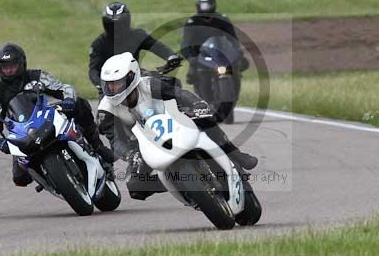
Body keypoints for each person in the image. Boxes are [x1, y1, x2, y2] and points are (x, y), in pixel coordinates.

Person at [97, 52, 258, 200]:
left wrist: (197, 104)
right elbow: (116, 141)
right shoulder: (106, 111)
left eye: (117, 83)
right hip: (141, 145)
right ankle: (182, 186)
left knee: (205, 119)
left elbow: (180, 95)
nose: (113, 89)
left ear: (132, 76)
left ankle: (236, 155)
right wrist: (130, 155)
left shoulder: (148, 84)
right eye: (109, 85)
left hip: (172, 120)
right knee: (135, 187)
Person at [0, 43, 118, 187]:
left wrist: (68, 100)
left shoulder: (37, 75)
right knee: (20, 178)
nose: (9, 70)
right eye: (5, 67)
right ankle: (49, 177)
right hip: (22, 135)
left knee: (80, 104)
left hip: (46, 119)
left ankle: (97, 146)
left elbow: (63, 88)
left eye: (12, 66)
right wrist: (1, 143)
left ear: (22, 63)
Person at [88, 1, 182, 96]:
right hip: (111, 85)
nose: (116, 29)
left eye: (120, 25)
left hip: (135, 78)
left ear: (126, 22)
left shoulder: (137, 35)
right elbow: (93, 70)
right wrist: (101, 85)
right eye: (111, 26)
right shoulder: (99, 44)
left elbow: (157, 47)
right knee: (104, 108)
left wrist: (171, 56)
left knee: (173, 84)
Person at [180, 0, 248, 121]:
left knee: (238, 67)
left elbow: (232, 38)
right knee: (194, 73)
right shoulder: (192, 21)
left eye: (208, 5)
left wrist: (237, 51)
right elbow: (186, 43)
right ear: (198, 6)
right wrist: (191, 56)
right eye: (203, 5)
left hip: (221, 54)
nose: (205, 8)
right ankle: (205, 100)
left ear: (213, 5)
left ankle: (232, 93)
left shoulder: (222, 19)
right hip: (202, 56)